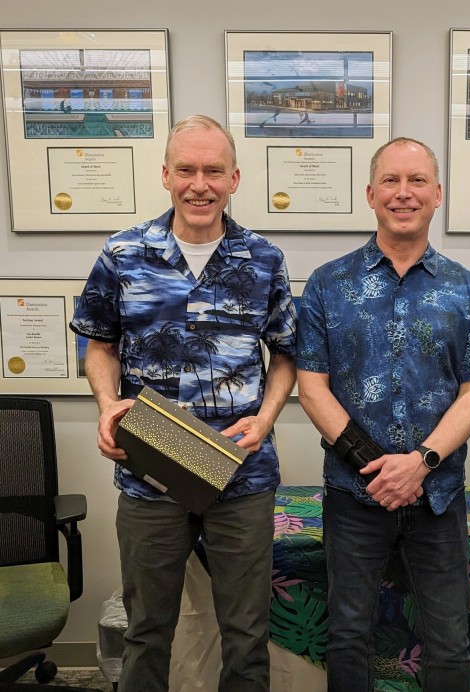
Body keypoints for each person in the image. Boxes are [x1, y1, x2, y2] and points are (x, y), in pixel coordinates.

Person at [70, 114, 297, 692]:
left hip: (239, 470)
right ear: (166, 175)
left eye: (213, 170)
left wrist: (267, 418)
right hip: (150, 467)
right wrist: (105, 405)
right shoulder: (124, 253)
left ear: (235, 179)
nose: (200, 183)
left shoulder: (263, 259)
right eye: (187, 169)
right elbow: (98, 344)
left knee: (247, 634)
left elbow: (287, 355)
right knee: (146, 630)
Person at [296, 136, 470, 691]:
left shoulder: (466, 291)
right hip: (353, 495)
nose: (404, 193)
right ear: (370, 193)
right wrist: (377, 467)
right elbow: (311, 387)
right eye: (391, 180)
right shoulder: (326, 285)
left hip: (438, 495)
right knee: (346, 636)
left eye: (417, 181)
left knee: (448, 639)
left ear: (437, 194)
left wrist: (419, 463)